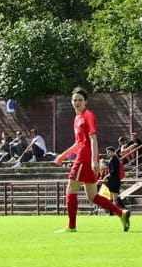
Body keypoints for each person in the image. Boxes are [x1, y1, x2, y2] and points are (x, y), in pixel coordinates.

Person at [54, 87, 131, 233]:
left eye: (80, 100)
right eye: (75, 100)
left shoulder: (88, 115)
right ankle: (121, 213)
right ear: (71, 101)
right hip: (85, 157)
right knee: (92, 196)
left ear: (86, 102)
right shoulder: (77, 118)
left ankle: (71, 226)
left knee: (70, 189)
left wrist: (93, 161)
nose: (77, 102)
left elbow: (93, 139)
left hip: (84, 158)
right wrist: (63, 155)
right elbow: (78, 143)